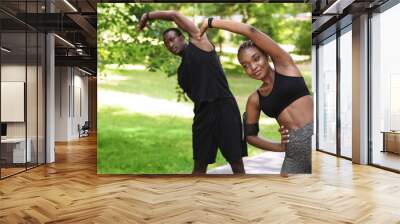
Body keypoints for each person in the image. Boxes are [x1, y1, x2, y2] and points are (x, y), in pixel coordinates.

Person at [137, 10, 258, 174]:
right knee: (199, 166)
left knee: (236, 163)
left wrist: (147, 16)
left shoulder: (199, 42)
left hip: (225, 109)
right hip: (203, 115)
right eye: (167, 43)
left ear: (182, 37)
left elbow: (174, 15)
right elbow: (197, 97)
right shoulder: (181, 74)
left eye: (172, 39)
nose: (171, 45)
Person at [199, 18, 314, 175]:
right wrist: (279, 147)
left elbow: (250, 31)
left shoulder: (286, 66)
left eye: (256, 58)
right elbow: (250, 136)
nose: (253, 67)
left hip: (316, 139)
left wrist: (211, 22)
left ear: (266, 56)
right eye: (245, 65)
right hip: (295, 152)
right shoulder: (255, 99)